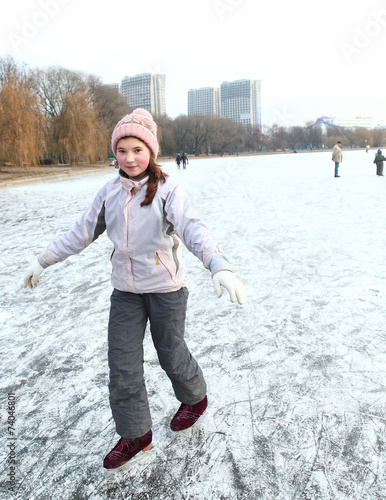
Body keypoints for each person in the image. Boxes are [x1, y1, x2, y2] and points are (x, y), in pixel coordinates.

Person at [23, 108, 245, 472]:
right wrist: (43, 260)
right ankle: (135, 434)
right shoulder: (109, 192)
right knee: (122, 363)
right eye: (121, 150)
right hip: (125, 292)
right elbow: (80, 233)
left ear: (151, 152)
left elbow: (193, 229)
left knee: (171, 352)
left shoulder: (169, 190)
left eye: (136, 150)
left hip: (166, 290)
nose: (128, 158)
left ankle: (195, 399)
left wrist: (218, 266)